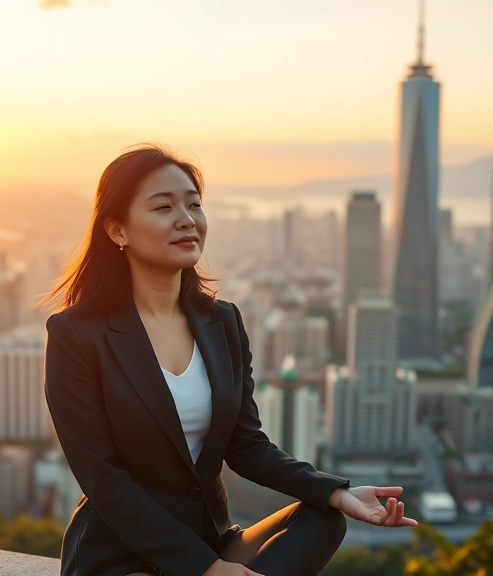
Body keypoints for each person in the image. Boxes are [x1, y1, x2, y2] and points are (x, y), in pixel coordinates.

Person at [38, 144, 417, 576]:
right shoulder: (78, 334)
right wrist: (208, 569)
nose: (187, 219)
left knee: (324, 519)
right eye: (163, 207)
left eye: (194, 204)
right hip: (120, 555)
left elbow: (247, 445)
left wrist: (336, 492)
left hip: (211, 539)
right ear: (117, 230)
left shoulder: (222, 322)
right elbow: (104, 481)